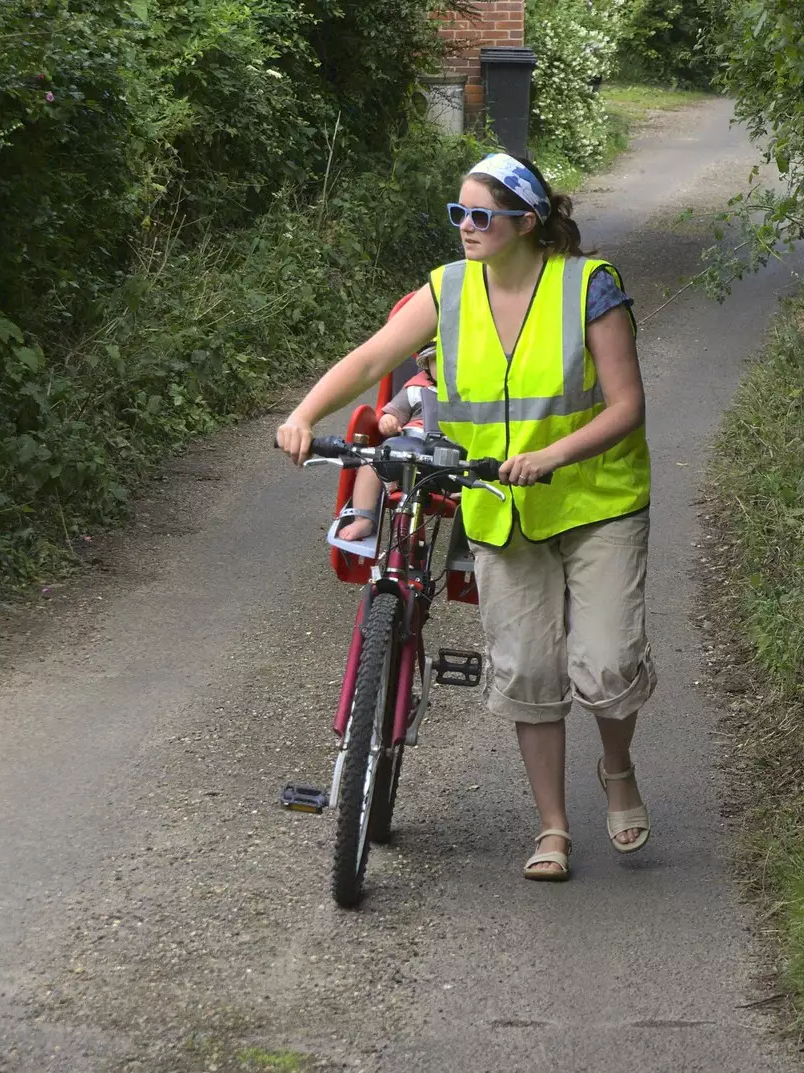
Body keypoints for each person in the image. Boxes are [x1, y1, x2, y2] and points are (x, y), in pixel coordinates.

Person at [276, 153, 653, 882]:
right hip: (499, 505)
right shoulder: (448, 290)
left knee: (606, 664)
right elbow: (367, 362)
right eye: (459, 214)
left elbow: (627, 405)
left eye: (482, 214)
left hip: (597, 500)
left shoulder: (588, 286)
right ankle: (552, 828)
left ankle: (618, 767)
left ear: (527, 219)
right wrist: (301, 414)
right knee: (528, 670)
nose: (467, 228)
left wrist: (554, 455)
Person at [336, 351, 437, 541]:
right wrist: (389, 421)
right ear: (427, 364)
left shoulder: (473, 392)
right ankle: (363, 519)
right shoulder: (416, 388)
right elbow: (393, 413)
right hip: (409, 448)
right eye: (437, 360)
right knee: (371, 464)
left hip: (450, 456)